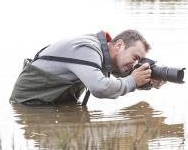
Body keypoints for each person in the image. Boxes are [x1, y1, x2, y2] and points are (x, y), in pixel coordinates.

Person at [10, 30, 163, 105]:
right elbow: (100, 87)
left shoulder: (102, 53)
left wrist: (146, 80)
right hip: (29, 105)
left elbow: (120, 74)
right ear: (119, 45)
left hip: (49, 104)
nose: (134, 64)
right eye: (134, 57)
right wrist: (133, 81)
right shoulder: (88, 49)